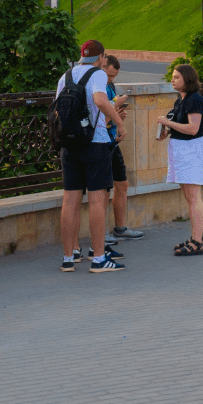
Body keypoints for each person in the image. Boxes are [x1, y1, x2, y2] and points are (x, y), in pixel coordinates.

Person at [54, 40, 124, 272]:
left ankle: (68, 257)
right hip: (95, 143)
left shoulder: (66, 76)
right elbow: (100, 100)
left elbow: (57, 109)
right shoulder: (98, 74)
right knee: (97, 199)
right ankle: (99, 259)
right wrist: (119, 122)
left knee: (70, 200)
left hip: (69, 144)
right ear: (101, 57)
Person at [158, 64, 203, 255]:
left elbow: (193, 129)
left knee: (194, 197)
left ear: (187, 79)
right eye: (172, 76)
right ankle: (196, 237)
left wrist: (167, 123)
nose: (172, 80)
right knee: (189, 197)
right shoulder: (181, 99)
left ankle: (197, 242)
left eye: (176, 77)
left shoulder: (195, 99)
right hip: (181, 149)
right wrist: (167, 131)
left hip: (192, 150)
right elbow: (180, 126)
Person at [102, 56, 142, 244]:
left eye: (114, 76)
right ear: (102, 67)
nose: (111, 79)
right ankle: (101, 233)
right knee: (101, 191)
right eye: (109, 74)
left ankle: (120, 227)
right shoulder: (96, 86)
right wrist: (115, 109)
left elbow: (111, 114)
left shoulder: (109, 85)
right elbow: (98, 120)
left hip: (113, 140)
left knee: (122, 184)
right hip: (102, 142)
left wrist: (119, 114)